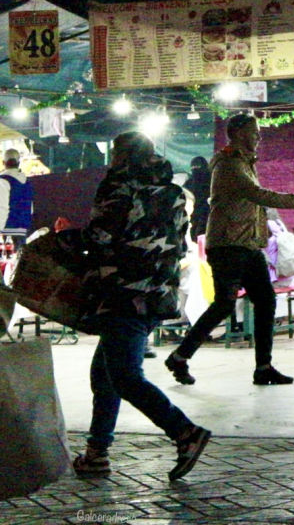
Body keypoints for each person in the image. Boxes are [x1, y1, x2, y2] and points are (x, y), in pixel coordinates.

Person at [61, 131, 212, 481]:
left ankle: (184, 432)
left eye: (115, 153)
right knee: (106, 376)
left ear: (122, 156)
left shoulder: (118, 188)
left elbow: (98, 238)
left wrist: (68, 238)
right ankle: (97, 453)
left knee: (126, 377)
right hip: (158, 295)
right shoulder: (175, 193)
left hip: (124, 293)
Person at [165, 114, 294, 387]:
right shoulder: (228, 165)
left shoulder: (244, 163)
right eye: (253, 132)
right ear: (236, 134)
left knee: (265, 300)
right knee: (224, 303)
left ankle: (264, 366)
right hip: (227, 245)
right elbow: (258, 195)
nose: (258, 137)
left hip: (247, 245)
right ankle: (180, 355)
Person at [1, 147, 31, 232]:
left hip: (7, 229)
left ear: (4, 163)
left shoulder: (3, 181)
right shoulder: (27, 182)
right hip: (24, 229)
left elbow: (2, 208)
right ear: (19, 163)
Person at [184, 156, 211, 242]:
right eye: (194, 168)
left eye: (198, 167)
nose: (196, 170)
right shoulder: (190, 182)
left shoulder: (212, 181)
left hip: (208, 216)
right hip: (196, 216)